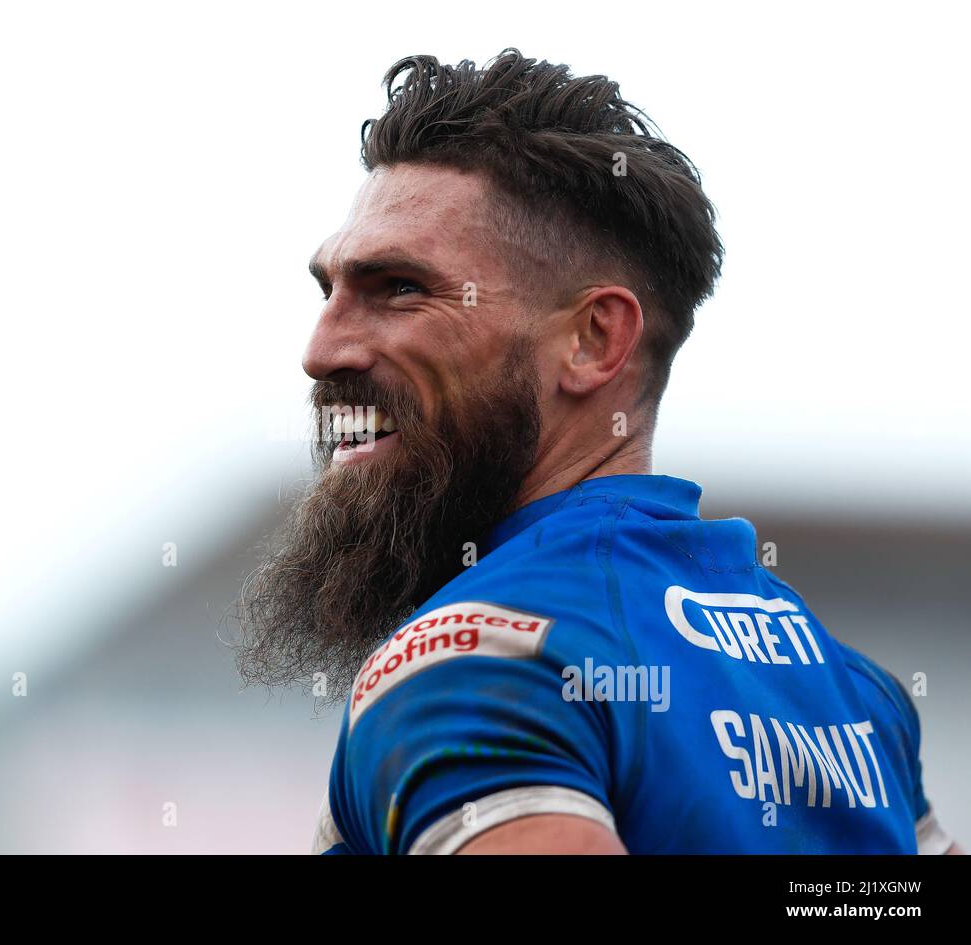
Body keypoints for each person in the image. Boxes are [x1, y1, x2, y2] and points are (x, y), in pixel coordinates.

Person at [236, 49, 960, 855]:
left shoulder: (478, 661)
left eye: (399, 288)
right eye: (327, 291)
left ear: (593, 339)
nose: (321, 348)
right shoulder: (853, 697)